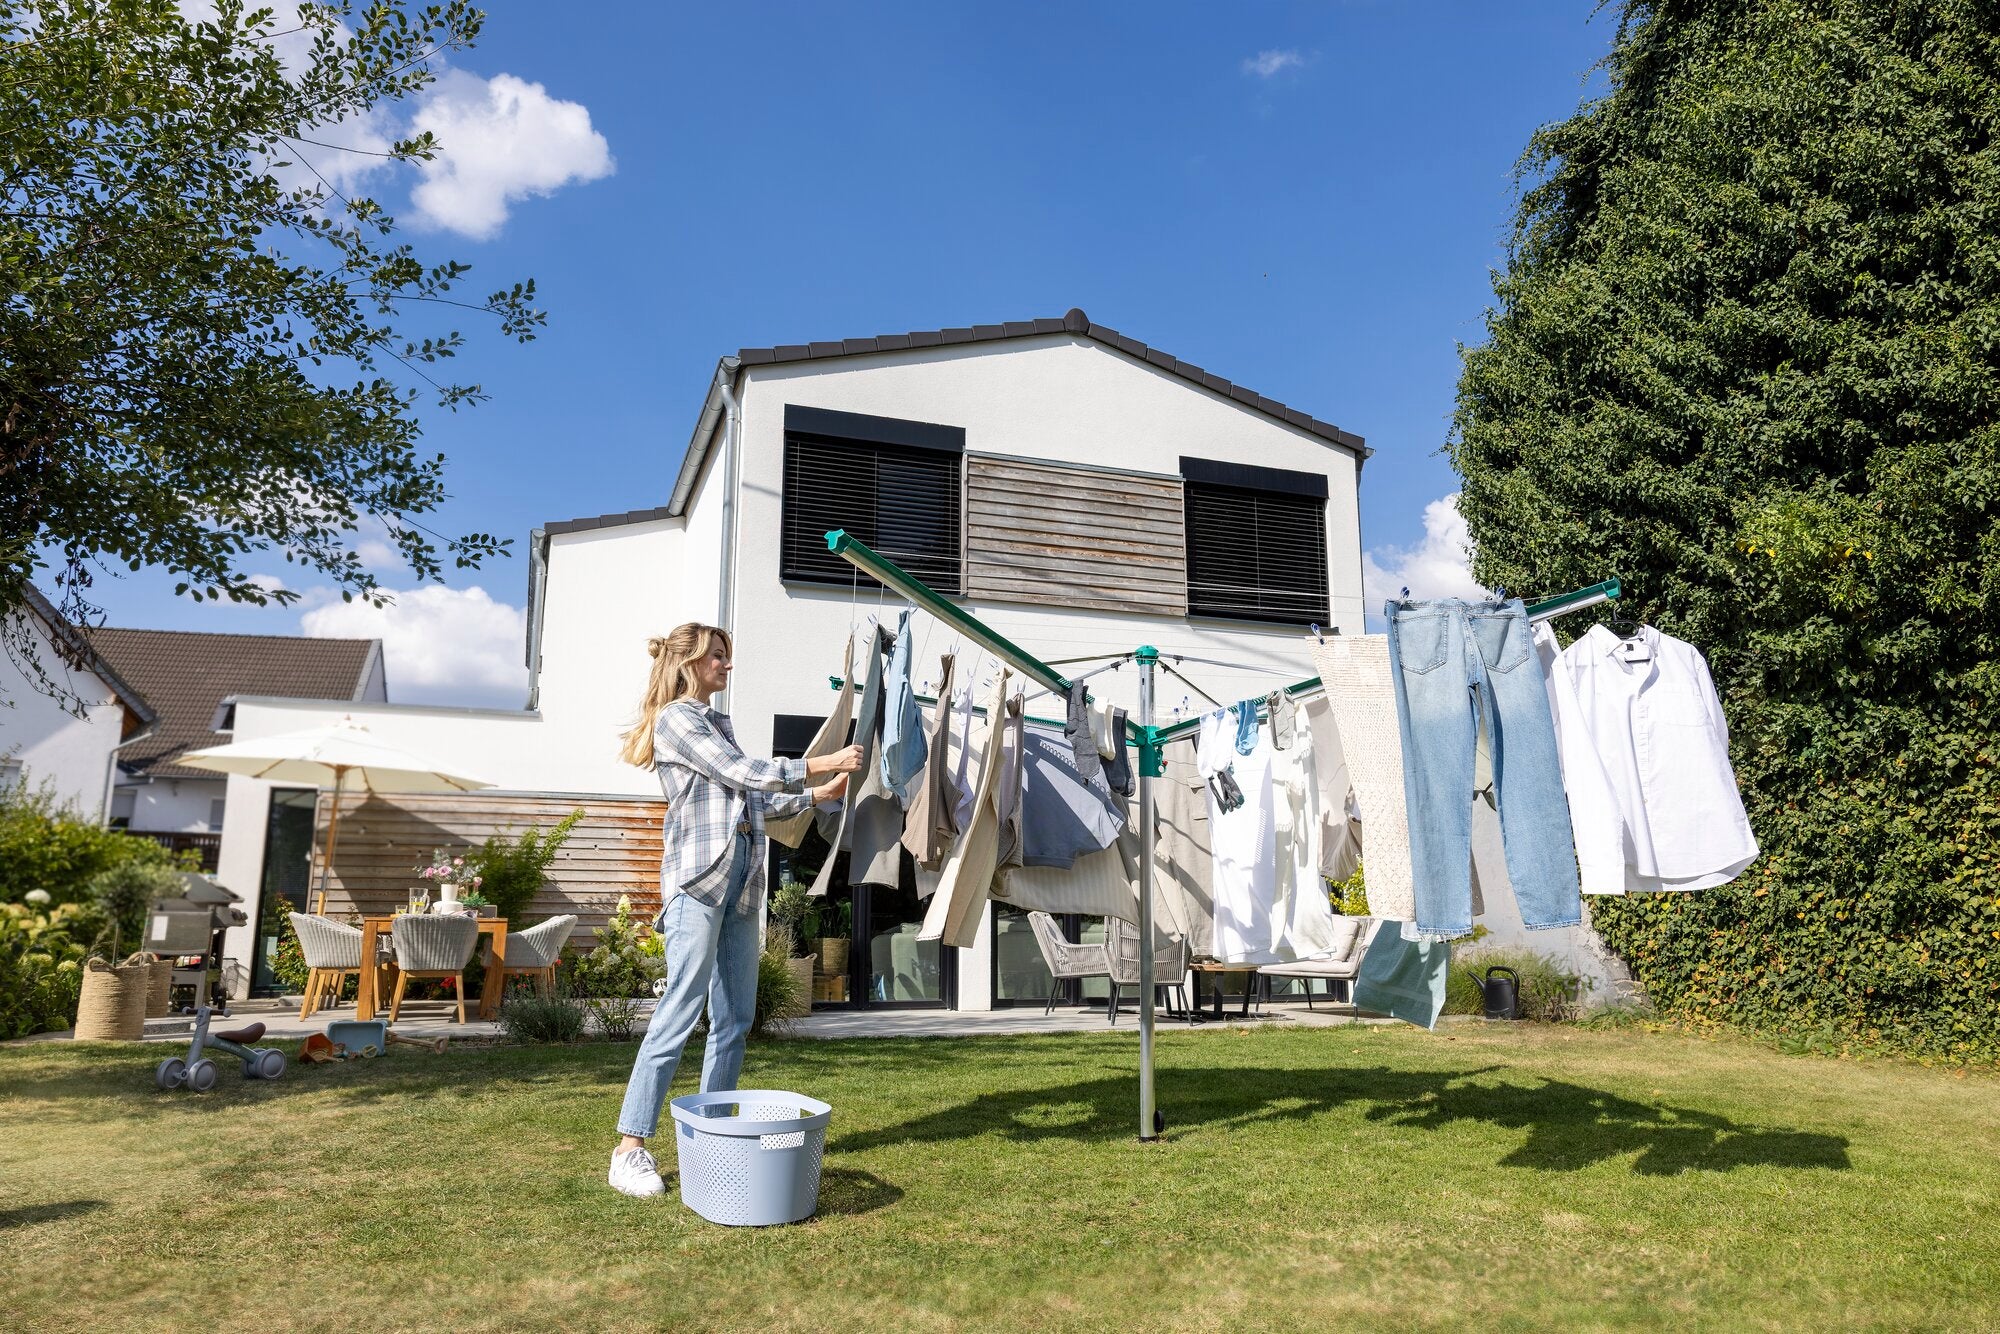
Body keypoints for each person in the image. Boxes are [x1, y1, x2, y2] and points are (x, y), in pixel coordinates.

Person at [607, 622, 860, 1199]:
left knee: (735, 1019)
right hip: (698, 883)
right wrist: (816, 765)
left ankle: (711, 1130)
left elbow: (752, 802)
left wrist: (814, 798)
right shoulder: (678, 719)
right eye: (718, 656)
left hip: (742, 884)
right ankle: (630, 1149)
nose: (727, 665)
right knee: (681, 1007)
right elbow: (741, 773)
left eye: (727, 656)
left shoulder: (715, 723)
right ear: (690, 662)